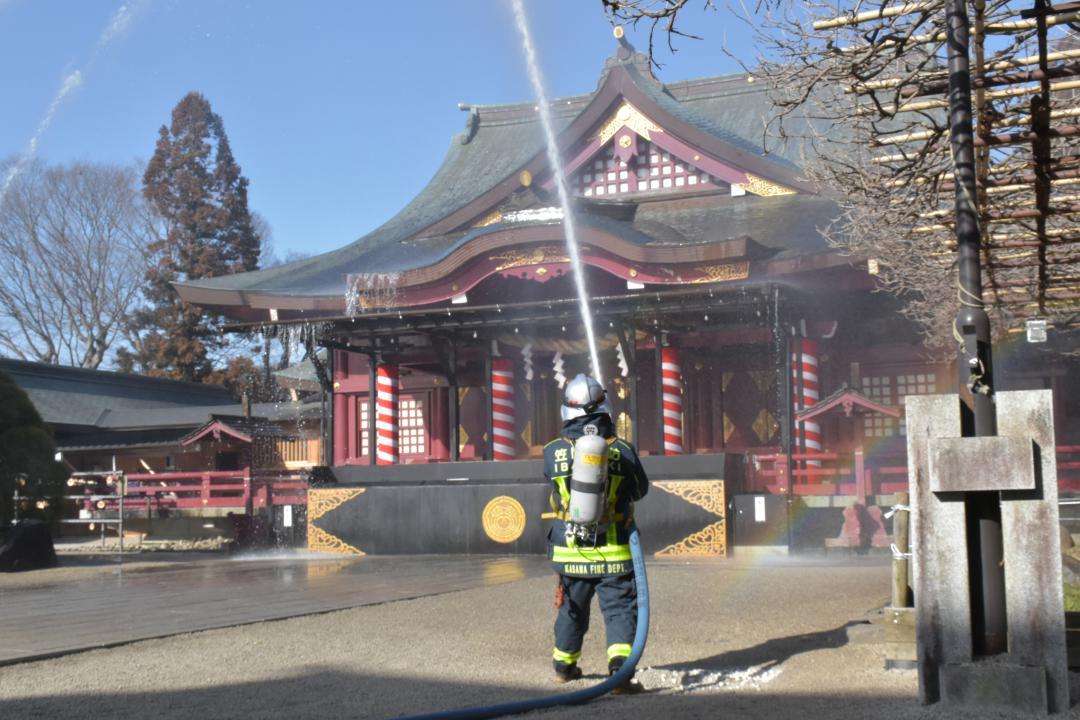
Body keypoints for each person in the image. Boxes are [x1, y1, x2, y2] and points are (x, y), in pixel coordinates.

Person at [542, 373, 649, 693]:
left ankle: (564, 667)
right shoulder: (624, 450)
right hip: (614, 551)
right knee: (619, 610)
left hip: (569, 550)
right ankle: (620, 674)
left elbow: (553, 486)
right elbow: (640, 490)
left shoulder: (552, 450)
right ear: (605, 408)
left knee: (571, 609)